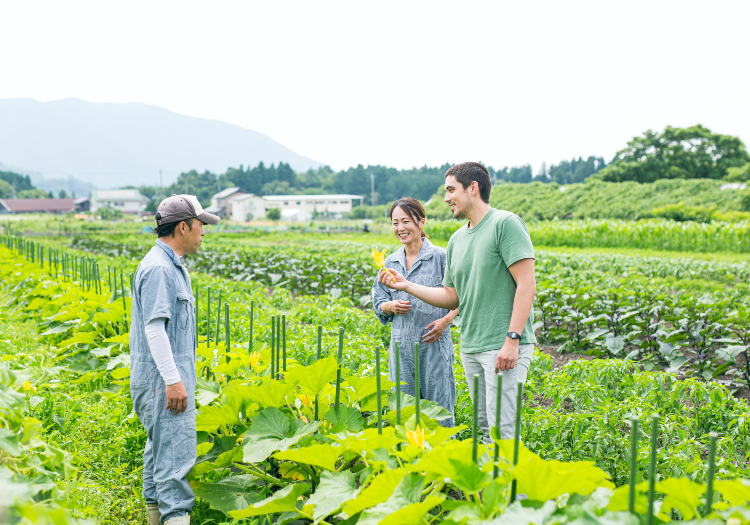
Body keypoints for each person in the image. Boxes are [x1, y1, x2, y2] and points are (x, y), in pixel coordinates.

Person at [378, 163, 536, 443]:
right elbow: (452, 296)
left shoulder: (505, 224)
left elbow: (526, 284)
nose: (446, 197)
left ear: (472, 188)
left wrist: (513, 339)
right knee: (486, 431)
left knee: (503, 434)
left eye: (451, 189)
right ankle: (490, 488)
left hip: (502, 344)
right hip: (473, 346)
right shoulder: (458, 239)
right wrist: (406, 286)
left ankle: (514, 489)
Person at [130, 195, 219, 525]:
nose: (203, 232)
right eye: (200, 225)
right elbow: (155, 330)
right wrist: (173, 380)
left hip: (162, 381)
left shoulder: (168, 265)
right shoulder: (160, 269)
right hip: (163, 382)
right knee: (175, 462)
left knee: (159, 454)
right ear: (183, 227)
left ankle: (156, 519)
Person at [371, 198, 458, 427]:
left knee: (439, 414)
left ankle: (438, 460)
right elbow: (378, 299)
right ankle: (410, 462)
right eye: (395, 222)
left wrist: (446, 321)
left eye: (406, 221)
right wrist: (388, 306)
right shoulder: (390, 262)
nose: (400, 228)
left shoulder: (441, 257)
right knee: (404, 414)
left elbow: (462, 296)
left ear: (421, 222)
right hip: (401, 349)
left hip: (434, 346)